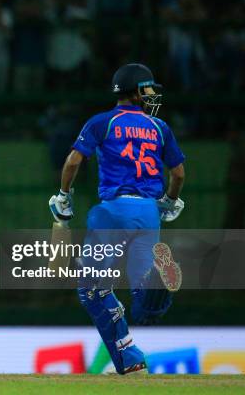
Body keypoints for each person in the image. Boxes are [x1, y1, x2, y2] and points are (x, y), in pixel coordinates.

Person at [49, 63, 186, 374]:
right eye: (148, 89)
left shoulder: (102, 122)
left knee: (90, 287)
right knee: (141, 297)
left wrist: (64, 195)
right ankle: (135, 345)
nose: (152, 95)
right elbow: (177, 173)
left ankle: (127, 348)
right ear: (135, 91)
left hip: (113, 212)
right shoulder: (160, 127)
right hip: (149, 214)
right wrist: (170, 201)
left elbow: (72, 162)